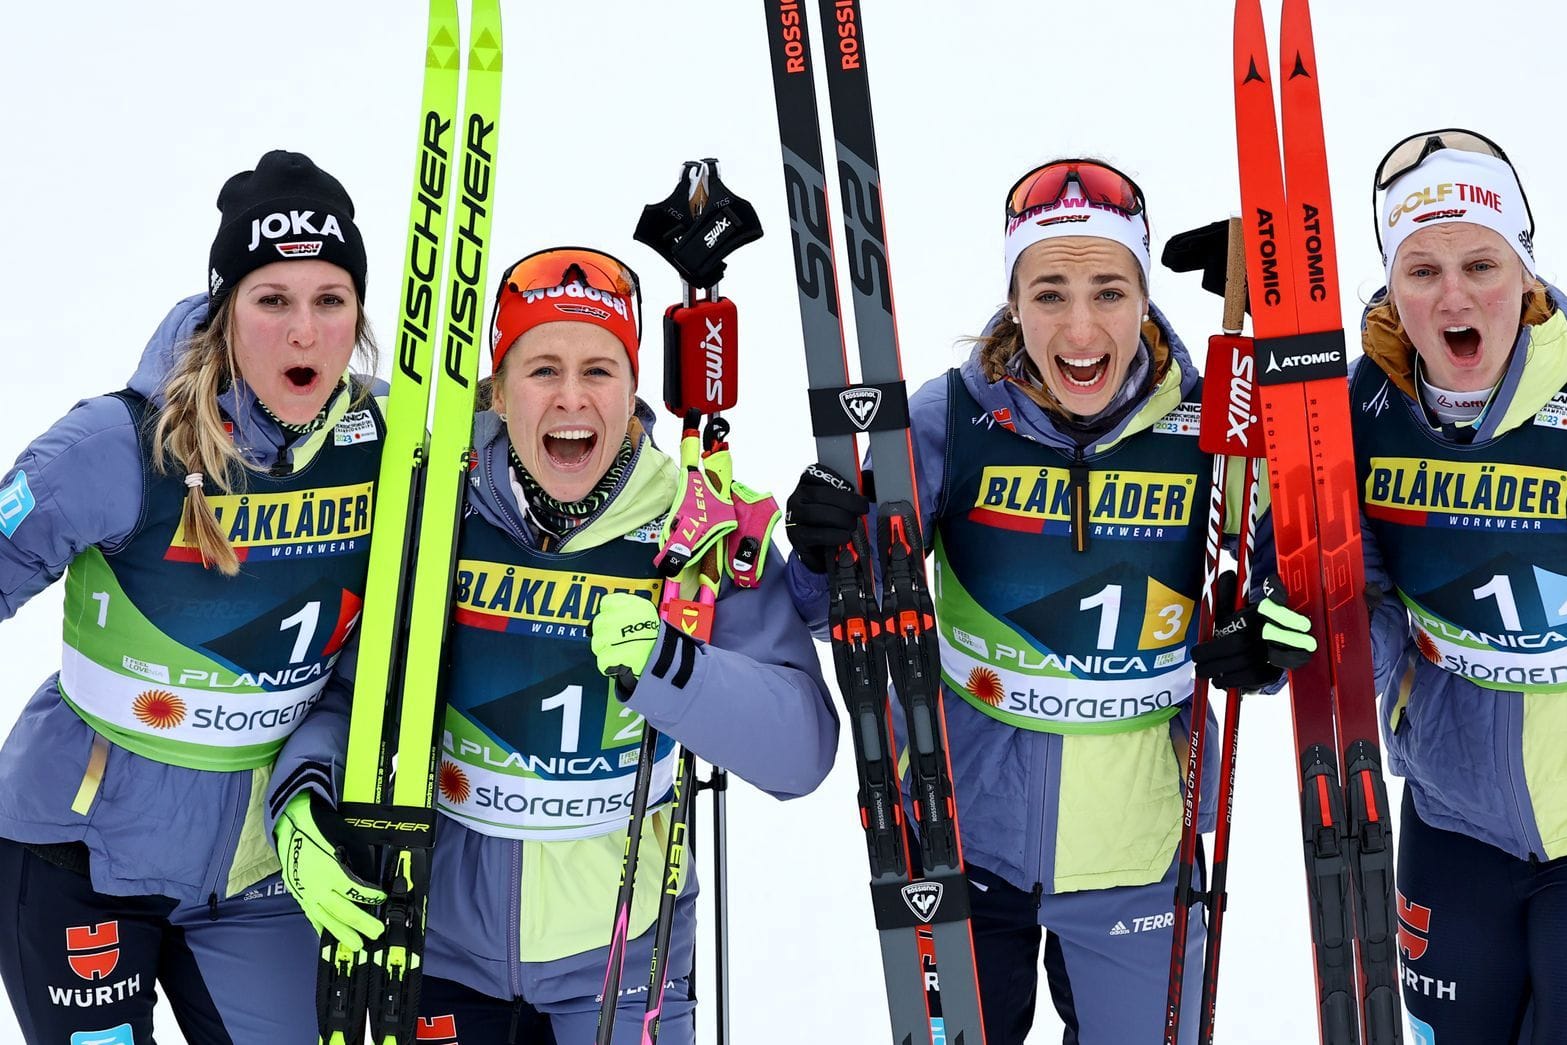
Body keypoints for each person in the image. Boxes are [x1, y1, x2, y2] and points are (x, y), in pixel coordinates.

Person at [782, 159, 1314, 1044]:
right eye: (1049, 292)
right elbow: (822, 595)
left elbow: (1265, 596)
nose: (1078, 326)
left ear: (1143, 296)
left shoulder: (1216, 428)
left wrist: (1262, 643)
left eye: (1108, 291)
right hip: (963, 844)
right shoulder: (952, 416)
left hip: (1140, 854)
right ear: (1013, 300)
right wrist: (815, 543)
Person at [268, 246, 838, 1043]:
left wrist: (672, 669)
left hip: (625, 963)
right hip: (441, 958)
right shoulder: (440, 510)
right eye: (542, 369)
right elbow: (359, 697)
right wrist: (301, 796)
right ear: (498, 389)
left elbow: (800, 750)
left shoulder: (696, 525)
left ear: (633, 386)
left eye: (599, 370)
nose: (572, 398)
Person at [0, 150, 383, 1043]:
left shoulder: (387, 443)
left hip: (262, 875)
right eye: (272, 299)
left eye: (330, 300)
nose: (304, 332)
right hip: (77, 853)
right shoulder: (115, 443)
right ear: (225, 311)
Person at [1354, 128, 1567, 1044]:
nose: (1452, 297)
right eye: (1421, 269)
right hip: (1450, 827)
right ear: (1392, 292)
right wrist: (1301, 639)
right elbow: (1361, 612)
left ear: (1524, 272)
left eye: (1480, 263)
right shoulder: (1362, 412)